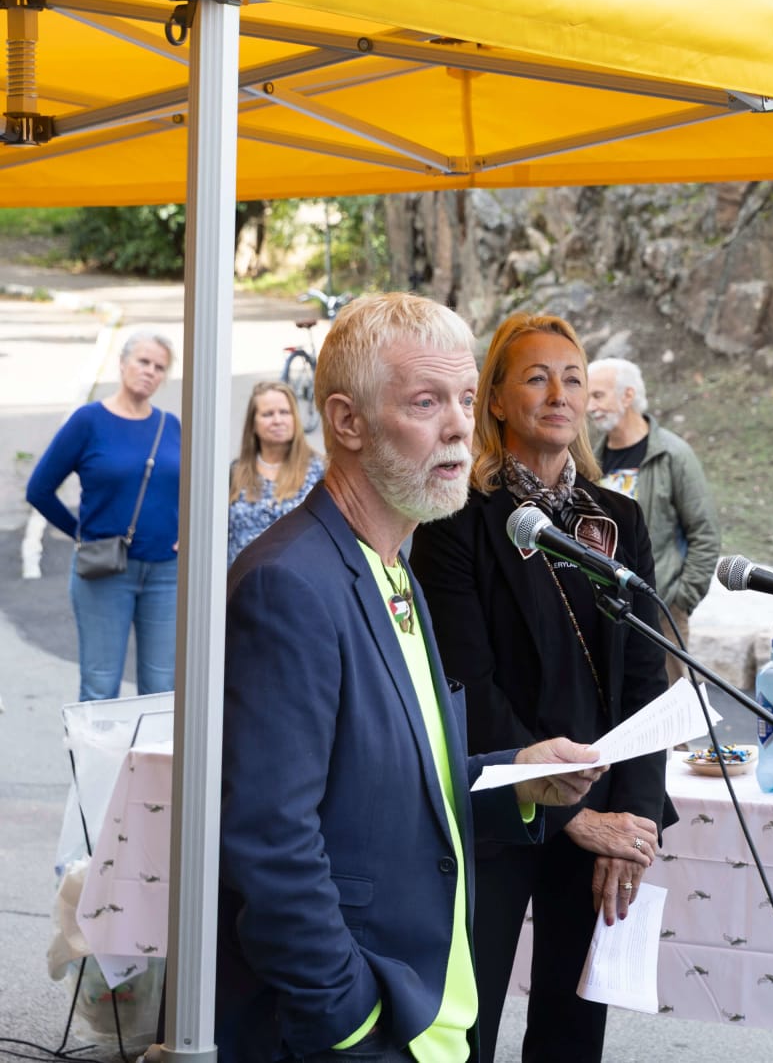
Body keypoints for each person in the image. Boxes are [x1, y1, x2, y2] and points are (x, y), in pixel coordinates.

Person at [218, 293, 615, 1063]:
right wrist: (352, 1022)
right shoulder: (289, 584)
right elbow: (271, 844)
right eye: (426, 402)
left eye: (466, 399)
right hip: (360, 1029)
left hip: (428, 1016)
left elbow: (396, 783)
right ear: (348, 422)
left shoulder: (395, 570)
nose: (462, 426)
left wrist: (516, 778)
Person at [411, 316, 672, 1063]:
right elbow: (466, 682)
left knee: (572, 1032)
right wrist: (571, 813)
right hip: (501, 806)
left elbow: (645, 675)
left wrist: (635, 817)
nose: (558, 393)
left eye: (572, 378)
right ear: (494, 399)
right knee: (468, 1019)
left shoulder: (615, 516)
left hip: (609, 809)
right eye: (535, 377)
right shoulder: (457, 516)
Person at [27, 331, 180, 701]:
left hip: (167, 574)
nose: (150, 372)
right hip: (106, 571)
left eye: (159, 367)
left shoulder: (171, 426)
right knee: (100, 687)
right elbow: (39, 489)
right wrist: (81, 533)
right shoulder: (89, 421)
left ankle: (149, 763)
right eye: (143, 362)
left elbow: (192, 487)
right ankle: (99, 762)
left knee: (161, 691)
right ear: (123, 363)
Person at [587, 356, 720, 683]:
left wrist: (679, 601)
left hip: (661, 612)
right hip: (604, 610)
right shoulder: (590, 458)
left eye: (598, 395)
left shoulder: (673, 455)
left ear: (627, 396)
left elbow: (705, 533)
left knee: (670, 719)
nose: (590, 407)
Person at [227, 379, 326, 566]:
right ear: (253, 423)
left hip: (300, 584)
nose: (277, 420)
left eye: (284, 412)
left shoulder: (321, 471)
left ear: (295, 418)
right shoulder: (235, 473)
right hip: (242, 586)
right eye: (268, 414)